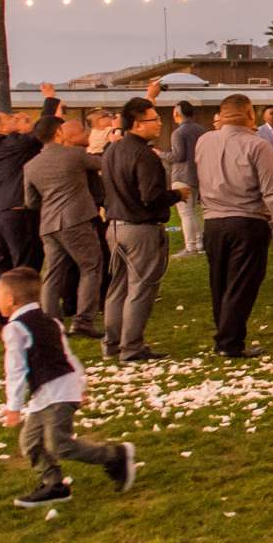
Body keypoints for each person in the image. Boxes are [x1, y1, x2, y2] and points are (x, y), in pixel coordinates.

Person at [0, 267, 136, 509]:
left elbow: (15, 371)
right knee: (30, 441)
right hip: (52, 392)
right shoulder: (51, 322)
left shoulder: (14, 330)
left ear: (10, 300)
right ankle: (54, 484)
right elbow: (68, 356)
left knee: (59, 444)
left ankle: (115, 456)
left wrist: (13, 407)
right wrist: (80, 383)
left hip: (57, 393)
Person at [193, 95, 273, 359]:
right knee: (243, 284)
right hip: (247, 220)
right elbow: (272, 190)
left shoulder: (203, 142)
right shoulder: (257, 146)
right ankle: (229, 340)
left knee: (220, 283)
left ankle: (225, 335)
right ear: (249, 114)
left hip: (213, 222)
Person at [100, 97, 185, 362]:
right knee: (141, 289)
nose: (160, 124)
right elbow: (151, 196)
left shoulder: (112, 150)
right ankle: (132, 346)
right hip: (141, 229)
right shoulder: (144, 155)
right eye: (155, 119)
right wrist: (177, 194)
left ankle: (112, 343)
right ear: (137, 124)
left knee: (118, 288)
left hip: (115, 227)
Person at [25, 113, 107, 337]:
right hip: (76, 220)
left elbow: (31, 202)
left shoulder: (31, 166)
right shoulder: (74, 156)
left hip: (48, 224)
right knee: (91, 267)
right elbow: (103, 163)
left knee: (53, 273)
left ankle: (51, 322)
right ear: (58, 132)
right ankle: (83, 321)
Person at [0, 108, 43, 277]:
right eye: (10, 117)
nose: (15, 118)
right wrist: (48, 100)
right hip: (18, 211)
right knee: (26, 264)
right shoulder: (18, 143)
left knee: (0, 265)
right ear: (1, 127)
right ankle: (24, 302)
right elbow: (43, 131)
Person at [165, 100, 208, 257]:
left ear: (177, 113)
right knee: (193, 212)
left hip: (182, 176)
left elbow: (178, 156)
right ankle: (200, 244)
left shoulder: (178, 133)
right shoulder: (201, 130)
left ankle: (191, 247)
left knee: (186, 213)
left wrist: (160, 154)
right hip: (197, 175)